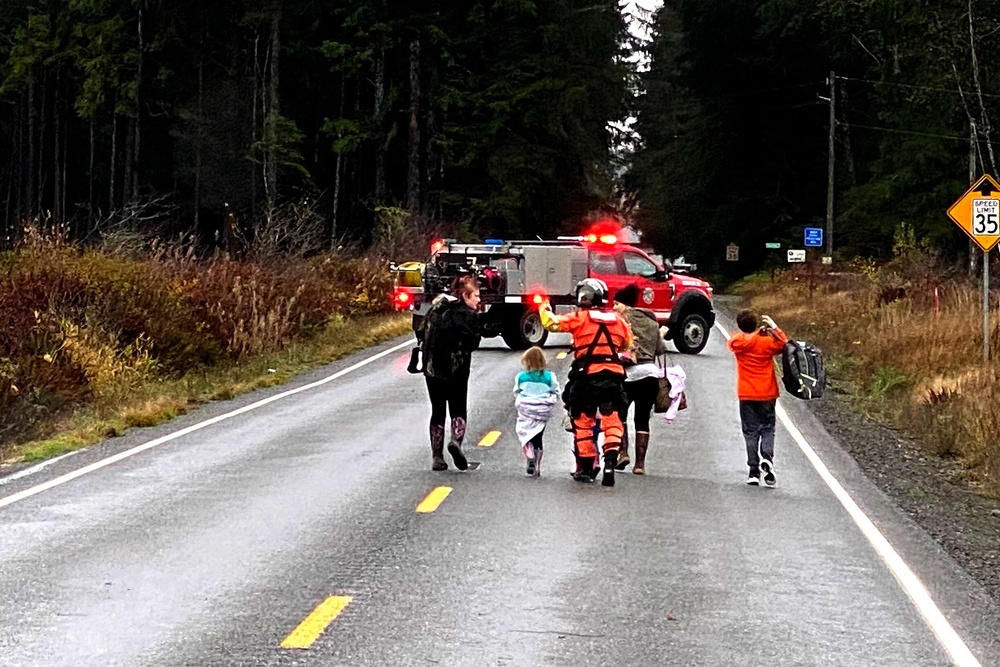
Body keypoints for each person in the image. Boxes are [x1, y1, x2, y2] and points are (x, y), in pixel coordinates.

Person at [539, 278, 633, 487]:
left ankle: (587, 468)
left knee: (582, 421)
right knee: (613, 420)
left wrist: (543, 305)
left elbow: (550, 323)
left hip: (585, 377)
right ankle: (610, 460)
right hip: (612, 376)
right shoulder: (618, 321)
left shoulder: (579, 318)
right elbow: (627, 343)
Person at [421, 275, 484, 471]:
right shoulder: (467, 315)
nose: (479, 300)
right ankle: (455, 442)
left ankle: (437, 457)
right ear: (465, 295)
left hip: (432, 369)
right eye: (476, 295)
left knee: (437, 411)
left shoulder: (435, 310)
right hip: (457, 370)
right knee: (458, 409)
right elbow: (473, 342)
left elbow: (421, 333)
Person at [612, 284, 669, 475]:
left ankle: (623, 452)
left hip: (627, 375)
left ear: (626, 305)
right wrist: (660, 335)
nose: (613, 308)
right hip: (650, 375)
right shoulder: (652, 323)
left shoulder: (620, 321)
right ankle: (640, 465)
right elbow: (660, 350)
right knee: (642, 420)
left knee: (620, 414)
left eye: (616, 303)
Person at [727, 310, 788, 487]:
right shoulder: (767, 342)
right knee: (768, 428)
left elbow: (734, 343)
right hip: (767, 392)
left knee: (750, 432)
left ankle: (753, 472)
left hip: (746, 393)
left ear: (739, 325)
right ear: (755, 324)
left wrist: (754, 334)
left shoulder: (737, 341)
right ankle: (767, 457)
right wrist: (773, 326)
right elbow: (784, 344)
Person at [513, 346, 560, 477]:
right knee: (538, 436)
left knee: (524, 432)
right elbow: (555, 390)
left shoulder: (521, 377)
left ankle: (529, 452)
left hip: (526, 410)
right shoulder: (550, 376)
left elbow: (516, 391)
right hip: (542, 410)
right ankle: (537, 467)